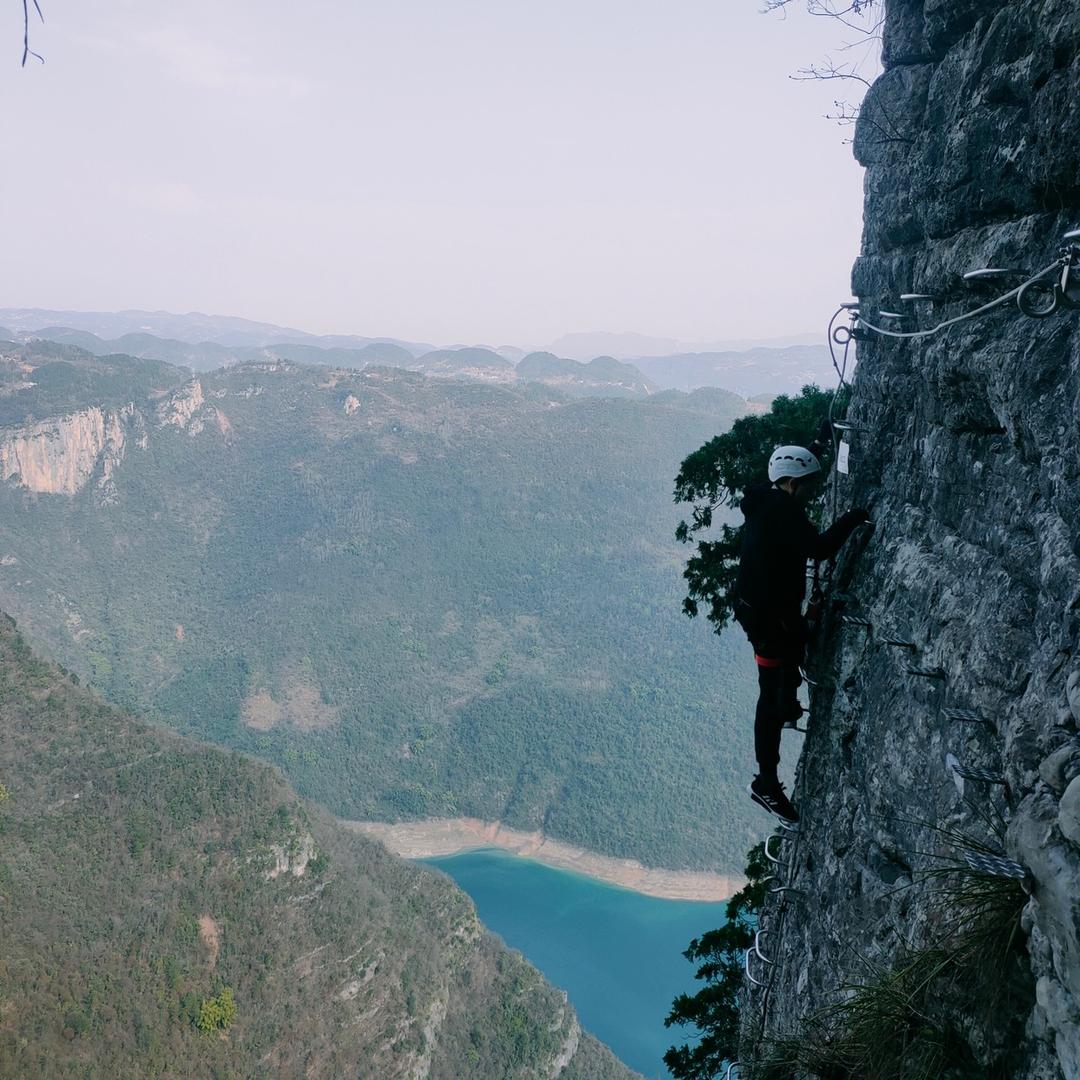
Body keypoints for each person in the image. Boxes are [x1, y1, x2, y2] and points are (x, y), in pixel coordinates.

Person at [734, 434, 870, 822]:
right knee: (770, 698)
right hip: (768, 620)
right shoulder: (783, 510)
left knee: (784, 673)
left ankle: (788, 702)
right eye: (808, 487)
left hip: (760, 613)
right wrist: (855, 517)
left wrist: (819, 443)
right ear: (793, 483)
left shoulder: (765, 501)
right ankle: (766, 783)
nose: (811, 495)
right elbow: (819, 548)